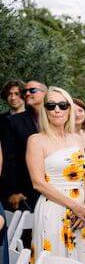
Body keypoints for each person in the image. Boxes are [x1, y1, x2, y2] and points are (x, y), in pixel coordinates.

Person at [25, 86, 85, 264]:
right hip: (53, 211)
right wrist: (74, 206)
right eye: (51, 105)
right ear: (44, 110)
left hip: (81, 212)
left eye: (62, 105)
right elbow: (37, 183)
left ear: (70, 108)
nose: (57, 110)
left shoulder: (78, 138)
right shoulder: (36, 140)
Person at [0, 80, 47, 212]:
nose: (27, 94)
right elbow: (9, 159)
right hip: (25, 190)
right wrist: (12, 191)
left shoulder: (53, 117)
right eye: (25, 91)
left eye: (32, 91)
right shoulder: (12, 121)